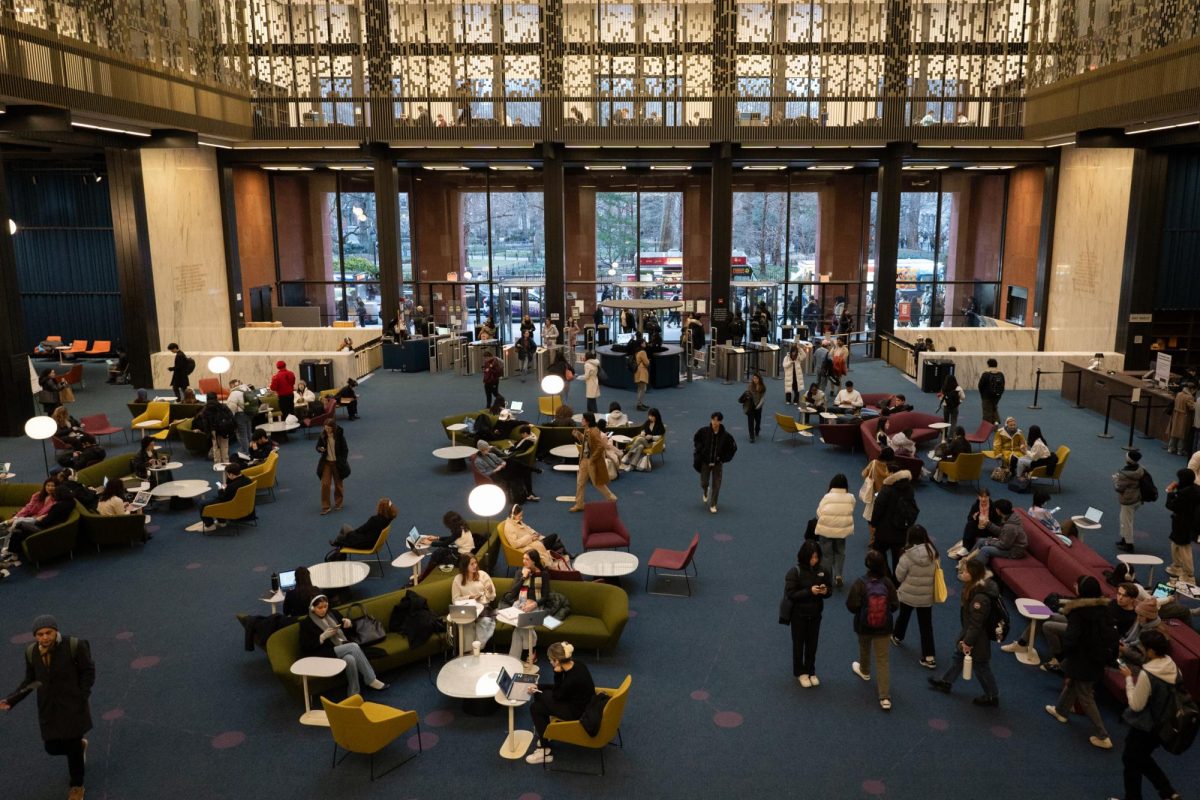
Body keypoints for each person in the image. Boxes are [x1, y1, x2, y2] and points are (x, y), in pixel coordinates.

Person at [0, 614, 95, 800]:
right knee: (51, 747)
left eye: (48, 633)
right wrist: (12, 700)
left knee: (72, 746)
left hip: (72, 706)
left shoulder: (74, 645)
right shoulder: (31, 652)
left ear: (56, 631)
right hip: (48, 708)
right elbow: (32, 680)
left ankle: (76, 786)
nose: (44, 637)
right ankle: (79, 747)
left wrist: (82, 695)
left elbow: (88, 671)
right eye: (40, 634)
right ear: (35, 635)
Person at [1042, 574, 1115, 750]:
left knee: (1085, 696)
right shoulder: (1105, 609)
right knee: (1074, 683)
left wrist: (1064, 655)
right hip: (1098, 657)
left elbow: (1071, 638)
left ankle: (1103, 735)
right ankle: (1061, 711)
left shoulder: (1078, 612)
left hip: (1083, 658)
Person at [1113, 629, 1184, 800]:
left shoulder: (1148, 674)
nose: (1142, 650)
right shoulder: (1173, 666)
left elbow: (1136, 705)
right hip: (1164, 725)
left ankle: (1135, 797)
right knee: (1142, 758)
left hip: (1145, 727)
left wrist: (1129, 679)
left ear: (1151, 651)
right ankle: (1168, 792)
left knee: (1130, 760)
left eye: (1143, 647)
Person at [927, 558, 1001, 706]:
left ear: (973, 574)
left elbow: (976, 625)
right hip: (970, 632)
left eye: (966, 571)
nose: (962, 573)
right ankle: (946, 682)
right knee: (959, 656)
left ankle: (992, 696)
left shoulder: (980, 598)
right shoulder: (974, 587)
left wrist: (967, 642)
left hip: (978, 638)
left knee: (981, 665)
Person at [524, 641, 596, 766]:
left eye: (551, 660)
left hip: (577, 712)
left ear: (557, 661)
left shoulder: (571, 679)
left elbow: (557, 694)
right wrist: (539, 686)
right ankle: (545, 735)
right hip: (581, 702)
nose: (550, 663)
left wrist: (556, 674)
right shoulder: (578, 664)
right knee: (536, 708)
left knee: (538, 698)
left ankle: (545, 748)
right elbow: (562, 689)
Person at [298, 595, 386, 696]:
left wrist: (349, 624)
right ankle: (371, 679)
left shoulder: (333, 614)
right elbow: (305, 647)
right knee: (353, 646)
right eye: (320, 607)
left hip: (342, 646)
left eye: (325, 606)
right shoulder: (306, 624)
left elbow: (349, 630)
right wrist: (321, 637)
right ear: (312, 608)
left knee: (350, 659)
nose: (323, 610)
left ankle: (353, 692)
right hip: (325, 653)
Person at [845, 550, 899, 711]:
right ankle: (884, 698)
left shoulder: (860, 583)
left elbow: (852, 605)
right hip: (884, 627)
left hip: (864, 625)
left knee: (864, 646)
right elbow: (895, 605)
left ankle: (865, 670)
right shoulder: (888, 583)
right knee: (882, 660)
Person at [893, 525, 939, 670]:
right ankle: (929, 657)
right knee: (926, 626)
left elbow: (899, 576)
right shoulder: (934, 554)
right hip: (926, 596)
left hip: (908, 594)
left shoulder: (906, 555)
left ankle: (897, 636)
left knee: (904, 616)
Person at [785, 540, 830, 688]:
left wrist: (825, 591)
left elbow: (829, 590)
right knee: (798, 644)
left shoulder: (822, 570)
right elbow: (791, 594)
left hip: (816, 614)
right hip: (799, 616)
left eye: (817, 557)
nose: (814, 560)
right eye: (811, 557)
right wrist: (809, 591)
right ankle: (800, 672)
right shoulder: (795, 572)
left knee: (812, 644)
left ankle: (811, 670)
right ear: (804, 557)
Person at [504, 550, 550, 664]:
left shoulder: (543, 574)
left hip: (536, 605)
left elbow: (545, 596)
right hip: (520, 603)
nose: (524, 561)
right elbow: (513, 593)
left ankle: (513, 661)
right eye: (523, 559)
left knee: (519, 628)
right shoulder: (520, 572)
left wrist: (533, 604)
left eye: (527, 559)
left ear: (534, 561)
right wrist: (523, 578)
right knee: (522, 626)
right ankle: (530, 653)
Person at [870, 468, 918, 578]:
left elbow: (878, 508)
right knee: (898, 559)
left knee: (878, 553)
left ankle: (886, 577)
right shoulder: (909, 488)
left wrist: (874, 524)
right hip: (902, 530)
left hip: (884, 530)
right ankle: (897, 582)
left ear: (892, 473)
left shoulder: (887, 488)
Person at [5, 484, 75, 556]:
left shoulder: (57, 506)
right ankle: (13, 552)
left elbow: (46, 522)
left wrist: (38, 521)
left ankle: (9, 549)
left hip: (45, 529)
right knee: (17, 531)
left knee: (19, 524)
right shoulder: (71, 502)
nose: (54, 496)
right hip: (53, 526)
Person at [568, 413, 617, 511]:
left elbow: (600, 447)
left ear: (587, 421)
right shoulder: (587, 429)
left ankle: (611, 498)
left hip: (591, 461)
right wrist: (578, 435)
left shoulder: (594, 431)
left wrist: (593, 459)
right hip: (584, 460)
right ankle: (579, 504)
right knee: (580, 483)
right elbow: (587, 442)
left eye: (583, 419)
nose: (581, 420)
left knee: (597, 483)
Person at [815, 474, 855, 588]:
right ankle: (838, 575)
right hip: (841, 531)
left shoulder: (827, 497)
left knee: (827, 555)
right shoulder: (851, 497)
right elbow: (850, 510)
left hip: (826, 530)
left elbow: (819, 512)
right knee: (840, 552)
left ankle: (826, 579)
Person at [693, 411, 737, 514]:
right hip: (705, 462)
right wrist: (700, 449)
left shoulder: (726, 436)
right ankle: (705, 490)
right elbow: (696, 439)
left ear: (720, 422)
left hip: (718, 463)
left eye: (717, 420)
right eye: (713, 420)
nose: (714, 422)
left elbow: (733, 448)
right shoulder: (704, 431)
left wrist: (724, 458)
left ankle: (713, 504)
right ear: (711, 420)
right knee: (703, 482)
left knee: (716, 485)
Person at [451, 554, 497, 649]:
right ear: (465, 566)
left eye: (475, 563)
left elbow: (492, 597)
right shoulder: (458, 579)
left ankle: (475, 652)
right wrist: (469, 597)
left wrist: (490, 591)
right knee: (467, 627)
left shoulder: (483, 575)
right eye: (471, 564)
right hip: (468, 610)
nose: (475, 566)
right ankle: (468, 654)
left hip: (483, 609)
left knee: (483, 625)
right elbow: (455, 600)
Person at [1165, 468, 1199, 585]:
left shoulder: (1184, 494)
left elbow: (1171, 505)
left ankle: (1189, 575)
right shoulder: (1194, 489)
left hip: (1182, 523)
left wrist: (1170, 492)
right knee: (1175, 543)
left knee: (1184, 548)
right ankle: (1177, 566)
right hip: (1188, 522)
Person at [198, 463, 252, 532]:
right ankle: (221, 522)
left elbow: (222, 499)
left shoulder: (231, 487)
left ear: (231, 474)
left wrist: (220, 489)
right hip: (244, 505)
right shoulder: (248, 480)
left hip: (230, 505)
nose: (227, 475)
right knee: (214, 499)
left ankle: (210, 525)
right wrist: (228, 483)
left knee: (201, 503)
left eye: (227, 474)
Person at [329, 497, 396, 550]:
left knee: (344, 529)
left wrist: (352, 533)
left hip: (366, 543)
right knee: (344, 534)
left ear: (380, 508)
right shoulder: (389, 519)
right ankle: (338, 544)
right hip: (373, 541)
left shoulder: (374, 519)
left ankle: (338, 547)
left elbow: (362, 530)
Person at [1113, 450, 1146, 553]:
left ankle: (1129, 544)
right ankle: (1124, 540)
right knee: (1125, 520)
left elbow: (1119, 488)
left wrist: (1115, 480)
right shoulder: (1140, 469)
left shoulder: (1125, 474)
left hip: (1128, 500)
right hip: (1137, 498)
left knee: (1126, 522)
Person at [316, 418, 349, 515]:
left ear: (333, 428)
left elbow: (345, 450)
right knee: (325, 484)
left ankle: (338, 503)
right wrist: (320, 449)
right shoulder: (322, 435)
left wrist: (342, 461)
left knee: (338, 484)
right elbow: (317, 447)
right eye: (325, 428)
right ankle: (326, 506)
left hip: (337, 463)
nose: (327, 430)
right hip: (326, 462)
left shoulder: (339, 436)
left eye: (329, 428)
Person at [501, 425, 540, 503]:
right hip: (509, 463)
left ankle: (529, 493)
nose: (521, 436)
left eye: (522, 434)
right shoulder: (528, 437)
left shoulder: (527, 441)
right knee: (526, 471)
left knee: (526, 470)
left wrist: (512, 448)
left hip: (509, 464)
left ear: (525, 433)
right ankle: (530, 493)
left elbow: (518, 448)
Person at [195, 394, 236, 465]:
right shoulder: (223, 406)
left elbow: (205, 423)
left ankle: (217, 463)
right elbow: (231, 416)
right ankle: (226, 462)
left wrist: (208, 433)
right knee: (224, 446)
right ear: (216, 398)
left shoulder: (205, 409)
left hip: (213, 430)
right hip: (224, 429)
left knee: (216, 447)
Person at [621, 408, 665, 472]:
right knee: (640, 446)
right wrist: (643, 432)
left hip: (652, 444)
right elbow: (643, 429)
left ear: (656, 416)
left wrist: (652, 437)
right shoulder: (648, 422)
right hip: (644, 442)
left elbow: (660, 437)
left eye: (652, 416)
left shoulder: (660, 425)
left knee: (640, 439)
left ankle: (628, 455)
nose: (650, 417)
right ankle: (632, 466)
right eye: (649, 415)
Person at [859, 446, 892, 523]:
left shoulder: (873, 463)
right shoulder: (891, 467)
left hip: (874, 494)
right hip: (886, 495)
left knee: (871, 518)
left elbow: (863, 474)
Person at [225, 379, 253, 455]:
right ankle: (252, 449)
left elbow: (231, 407)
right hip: (249, 413)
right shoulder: (247, 388)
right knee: (249, 433)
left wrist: (230, 418)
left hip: (240, 415)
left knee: (242, 435)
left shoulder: (234, 393)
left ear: (233, 385)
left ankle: (245, 452)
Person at [1167, 383, 1196, 455]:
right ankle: (1180, 450)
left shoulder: (1179, 394)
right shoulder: (1189, 397)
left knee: (1174, 433)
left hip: (1176, 415)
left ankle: (1171, 448)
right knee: (1182, 434)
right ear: (1191, 389)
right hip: (1184, 417)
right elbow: (1191, 407)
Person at [741, 372, 767, 442]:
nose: (754, 380)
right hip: (750, 406)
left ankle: (757, 429)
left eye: (756, 378)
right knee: (750, 421)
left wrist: (758, 406)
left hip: (758, 406)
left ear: (759, 379)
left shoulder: (763, 387)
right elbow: (747, 394)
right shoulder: (750, 386)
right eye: (754, 378)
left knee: (758, 421)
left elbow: (763, 398)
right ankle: (752, 437)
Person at [977, 358, 1005, 423]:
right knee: (994, 408)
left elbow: (980, 385)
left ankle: (987, 426)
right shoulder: (1000, 374)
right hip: (997, 396)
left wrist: (982, 394)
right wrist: (999, 394)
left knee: (987, 411)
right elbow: (1003, 385)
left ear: (988, 365)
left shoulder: (985, 374)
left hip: (986, 396)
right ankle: (996, 423)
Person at [633, 339, 651, 411]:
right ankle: (639, 404)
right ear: (641, 344)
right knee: (643, 389)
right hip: (642, 371)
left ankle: (640, 403)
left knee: (640, 388)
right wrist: (648, 360)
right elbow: (647, 363)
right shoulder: (643, 352)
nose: (645, 343)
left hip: (638, 371)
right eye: (644, 342)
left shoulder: (637, 352)